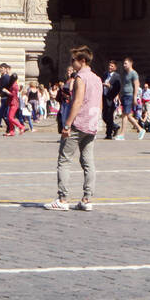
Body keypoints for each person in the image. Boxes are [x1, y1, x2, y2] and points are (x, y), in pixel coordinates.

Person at [45, 46, 103, 212]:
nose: (71, 63)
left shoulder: (80, 78)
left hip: (78, 123)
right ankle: (87, 198)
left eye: (73, 60)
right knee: (88, 162)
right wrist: (97, 121)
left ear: (82, 61)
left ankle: (63, 198)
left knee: (64, 160)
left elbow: (77, 102)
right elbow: (99, 103)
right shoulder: (97, 78)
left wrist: (67, 124)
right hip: (91, 124)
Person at [119, 57, 144, 138]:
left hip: (129, 95)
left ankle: (122, 134)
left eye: (126, 63)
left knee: (124, 115)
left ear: (130, 63)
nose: (124, 65)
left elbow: (137, 85)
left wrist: (135, 97)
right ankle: (140, 129)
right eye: (124, 63)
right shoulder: (125, 73)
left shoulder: (134, 73)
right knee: (128, 116)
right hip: (124, 94)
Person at [102, 60, 122, 140]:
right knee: (104, 116)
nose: (110, 67)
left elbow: (118, 88)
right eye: (109, 66)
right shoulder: (105, 75)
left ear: (115, 68)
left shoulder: (117, 76)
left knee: (110, 116)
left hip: (111, 98)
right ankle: (115, 126)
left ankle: (109, 134)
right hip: (104, 97)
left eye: (112, 66)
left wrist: (110, 87)